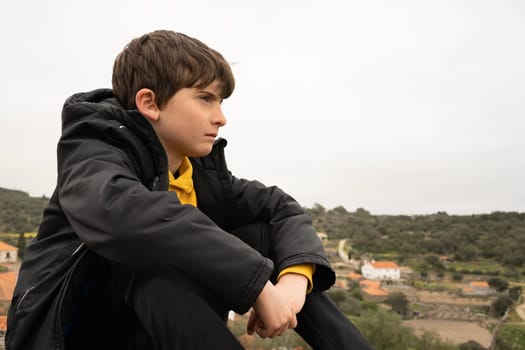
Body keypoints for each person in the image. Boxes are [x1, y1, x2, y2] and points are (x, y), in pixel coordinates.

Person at [6, 30, 373, 349]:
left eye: (221, 101)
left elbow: (281, 209)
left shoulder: (196, 172)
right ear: (149, 103)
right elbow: (126, 217)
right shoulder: (94, 152)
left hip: (155, 331)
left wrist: (293, 283)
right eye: (205, 98)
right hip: (79, 335)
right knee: (148, 259)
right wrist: (259, 285)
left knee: (258, 235)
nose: (221, 117)